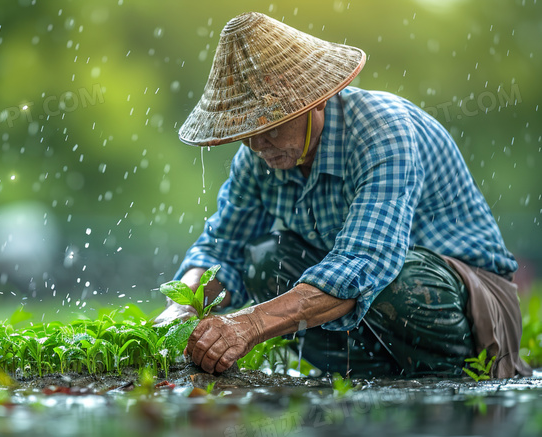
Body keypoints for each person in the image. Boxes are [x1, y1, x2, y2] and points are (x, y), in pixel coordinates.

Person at [154, 12, 531, 378]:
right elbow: (222, 248)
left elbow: (365, 263)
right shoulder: (260, 156)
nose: (256, 143)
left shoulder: (382, 130)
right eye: (246, 129)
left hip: (472, 307)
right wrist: (181, 307)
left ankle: (448, 376)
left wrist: (249, 324)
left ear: (315, 100)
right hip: (374, 311)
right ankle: (373, 380)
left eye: (269, 123)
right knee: (264, 260)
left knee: (395, 280)